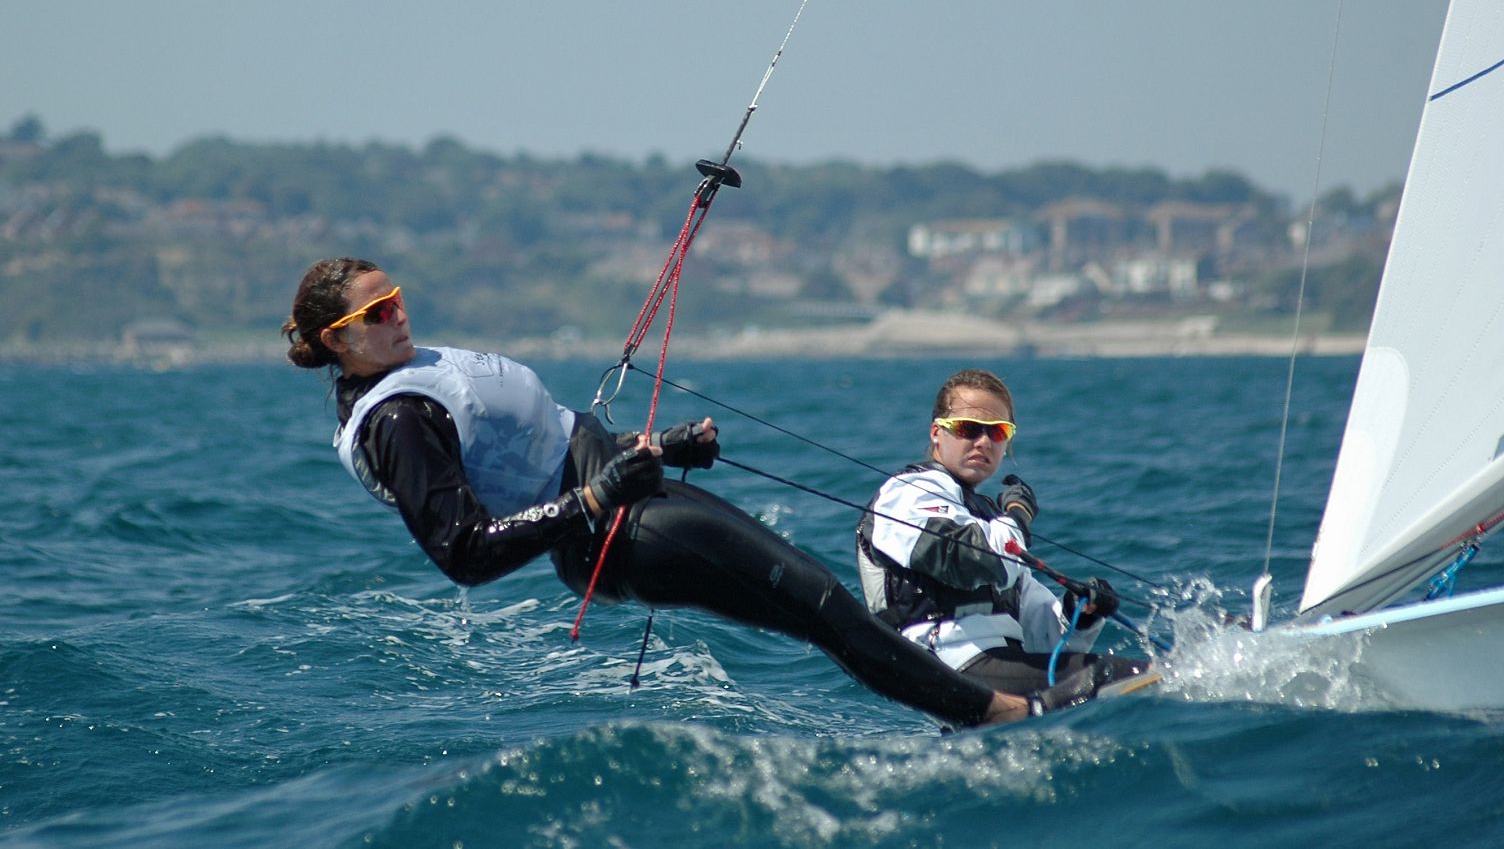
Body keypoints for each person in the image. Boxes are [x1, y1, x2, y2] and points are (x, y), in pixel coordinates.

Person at [283, 257, 1032, 727]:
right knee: (823, 608)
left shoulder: (407, 370)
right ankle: (998, 714)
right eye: (376, 314)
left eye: (397, 298)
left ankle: (980, 710)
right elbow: (465, 553)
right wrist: (597, 497)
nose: (399, 316)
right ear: (337, 342)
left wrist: (659, 449)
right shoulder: (399, 421)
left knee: (823, 605)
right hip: (611, 535)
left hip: (618, 495)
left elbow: (543, 448)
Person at [856, 368, 1150, 711]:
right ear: (937, 432)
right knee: (1125, 677)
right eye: (968, 428)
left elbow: (1046, 637)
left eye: (997, 432)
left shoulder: (988, 519)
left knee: (1127, 675)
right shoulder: (907, 493)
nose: (983, 442)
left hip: (999, 663)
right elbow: (979, 560)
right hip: (944, 665)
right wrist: (1018, 516)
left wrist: (1080, 613)